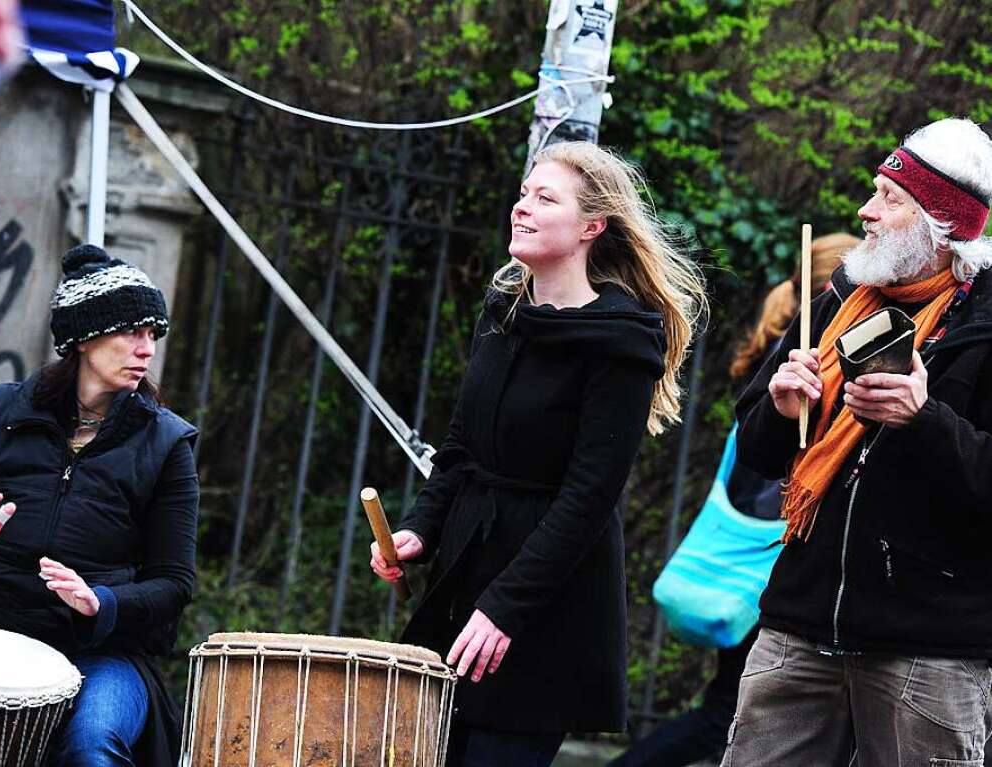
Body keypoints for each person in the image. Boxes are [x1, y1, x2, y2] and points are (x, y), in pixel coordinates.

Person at [369, 140, 708, 767]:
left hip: (542, 604)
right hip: (465, 577)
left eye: (544, 198)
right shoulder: (502, 312)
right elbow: (461, 448)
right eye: (524, 193)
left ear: (591, 226)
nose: (521, 207)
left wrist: (505, 607)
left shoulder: (622, 341)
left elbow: (589, 498)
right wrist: (419, 527)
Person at [726, 117, 992, 766]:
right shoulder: (840, 293)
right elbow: (756, 450)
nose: (863, 211)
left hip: (928, 645)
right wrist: (778, 405)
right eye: (873, 190)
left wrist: (923, 418)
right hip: (798, 620)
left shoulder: (983, 324)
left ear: (942, 223)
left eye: (888, 198)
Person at [608, 233, 858, 767]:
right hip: (770, 550)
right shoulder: (807, 358)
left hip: (751, 532)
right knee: (730, 710)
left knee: (733, 707)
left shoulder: (775, 346)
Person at [0, 244, 199, 766]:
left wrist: (103, 603)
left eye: (153, 336)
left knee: (92, 742)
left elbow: (175, 582)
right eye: (131, 332)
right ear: (84, 338)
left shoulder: (166, 444)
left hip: (102, 653)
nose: (146, 350)